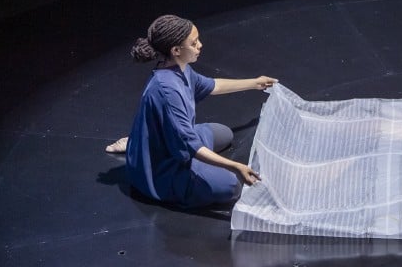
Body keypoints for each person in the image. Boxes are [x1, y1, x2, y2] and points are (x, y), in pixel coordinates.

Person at [109, 14, 278, 209]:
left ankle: (137, 142)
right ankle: (140, 148)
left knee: (224, 133)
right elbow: (191, 146)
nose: (200, 45)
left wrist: (255, 83)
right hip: (161, 170)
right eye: (194, 42)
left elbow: (214, 85)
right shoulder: (167, 89)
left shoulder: (180, 68)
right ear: (176, 50)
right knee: (231, 185)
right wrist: (235, 166)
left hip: (175, 141)